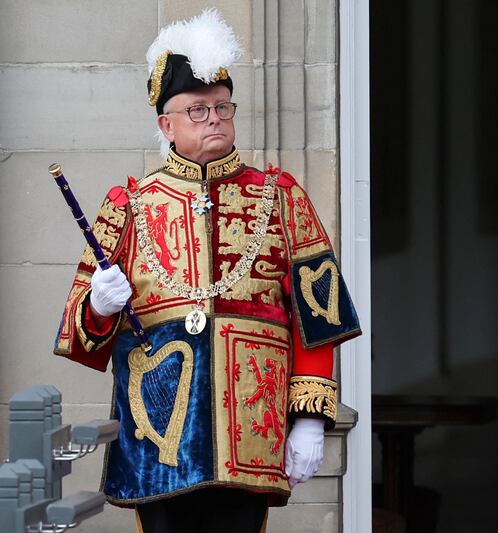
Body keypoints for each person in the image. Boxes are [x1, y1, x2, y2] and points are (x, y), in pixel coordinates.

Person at [52, 9, 360, 532]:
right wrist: (100, 305)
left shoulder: (282, 198)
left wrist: (308, 416)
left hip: (251, 427)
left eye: (222, 107)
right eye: (198, 111)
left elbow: (319, 316)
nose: (215, 118)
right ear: (164, 124)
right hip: (157, 433)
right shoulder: (127, 205)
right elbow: (82, 335)